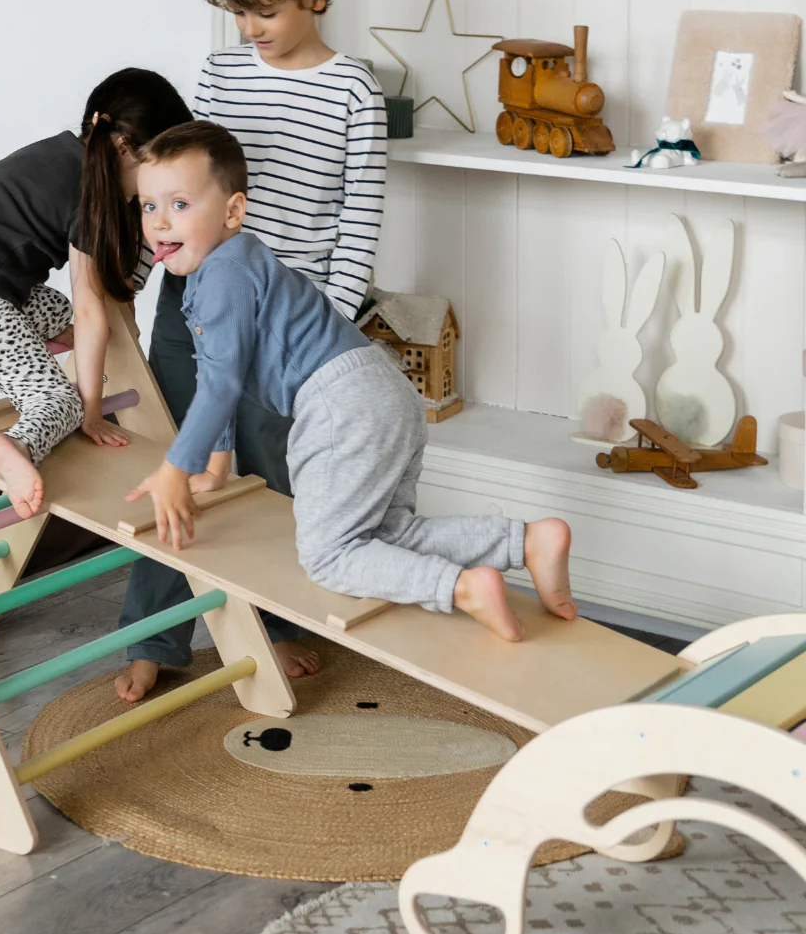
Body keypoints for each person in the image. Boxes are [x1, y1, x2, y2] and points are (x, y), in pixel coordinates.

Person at [123, 121, 578, 681]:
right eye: (148, 206)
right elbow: (222, 372)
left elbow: (218, 385)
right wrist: (217, 464)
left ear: (232, 211)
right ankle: (527, 541)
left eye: (180, 204)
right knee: (384, 537)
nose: (160, 222)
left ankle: (460, 587)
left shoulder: (222, 277)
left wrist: (177, 466)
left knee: (328, 556)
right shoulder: (232, 266)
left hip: (340, 405)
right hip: (386, 392)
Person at [114, 0, 386, 702]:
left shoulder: (353, 92)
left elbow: (358, 219)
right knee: (179, 464)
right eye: (238, 13)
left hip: (287, 323)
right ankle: (155, 636)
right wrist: (155, 263)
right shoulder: (221, 71)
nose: (251, 28)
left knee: (272, 480)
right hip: (192, 301)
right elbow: (183, 188)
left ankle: (278, 624)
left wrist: (326, 328)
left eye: (265, 10)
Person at [0, 69, 191, 519]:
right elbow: (93, 311)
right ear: (124, 147)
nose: (153, 190)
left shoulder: (62, 155)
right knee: (59, 401)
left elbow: (82, 307)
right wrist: (90, 411)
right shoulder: (89, 194)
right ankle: (15, 446)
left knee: (54, 309)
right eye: (157, 171)